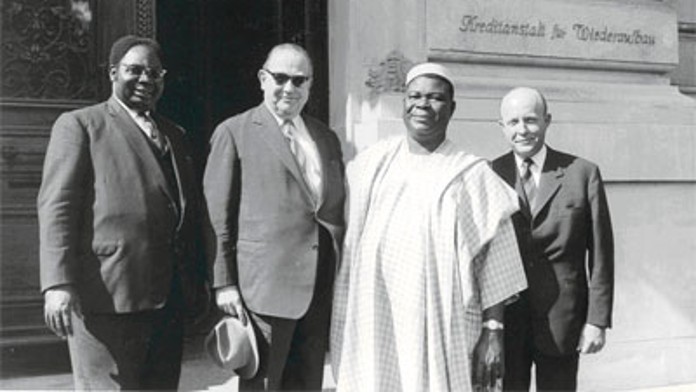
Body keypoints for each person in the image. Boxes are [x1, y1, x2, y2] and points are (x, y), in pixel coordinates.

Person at [330, 62, 528, 392]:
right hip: (377, 318)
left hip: (440, 322)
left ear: (452, 108)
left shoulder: (472, 174)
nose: (422, 104)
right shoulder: (371, 164)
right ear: (404, 102)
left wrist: (493, 331)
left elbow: (498, 263)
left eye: (435, 97)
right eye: (415, 95)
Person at [38, 35, 207, 390]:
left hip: (166, 298)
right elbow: (58, 206)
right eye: (135, 70)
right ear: (113, 73)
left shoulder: (175, 135)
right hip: (107, 293)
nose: (146, 79)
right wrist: (57, 283)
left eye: (155, 73)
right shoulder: (81, 125)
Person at [203, 43, 345, 390]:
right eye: (280, 78)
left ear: (310, 85)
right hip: (263, 290)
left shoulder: (325, 137)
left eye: (300, 81)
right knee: (264, 384)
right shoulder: (235, 132)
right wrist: (224, 283)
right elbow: (216, 216)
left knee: (307, 382)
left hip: (318, 287)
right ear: (262, 79)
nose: (289, 88)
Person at [491, 87, 614, 391]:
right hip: (509, 322)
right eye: (514, 122)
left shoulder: (582, 173)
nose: (523, 130)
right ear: (502, 127)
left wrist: (596, 321)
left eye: (531, 120)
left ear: (547, 121)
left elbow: (601, 256)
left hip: (563, 320)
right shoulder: (490, 174)